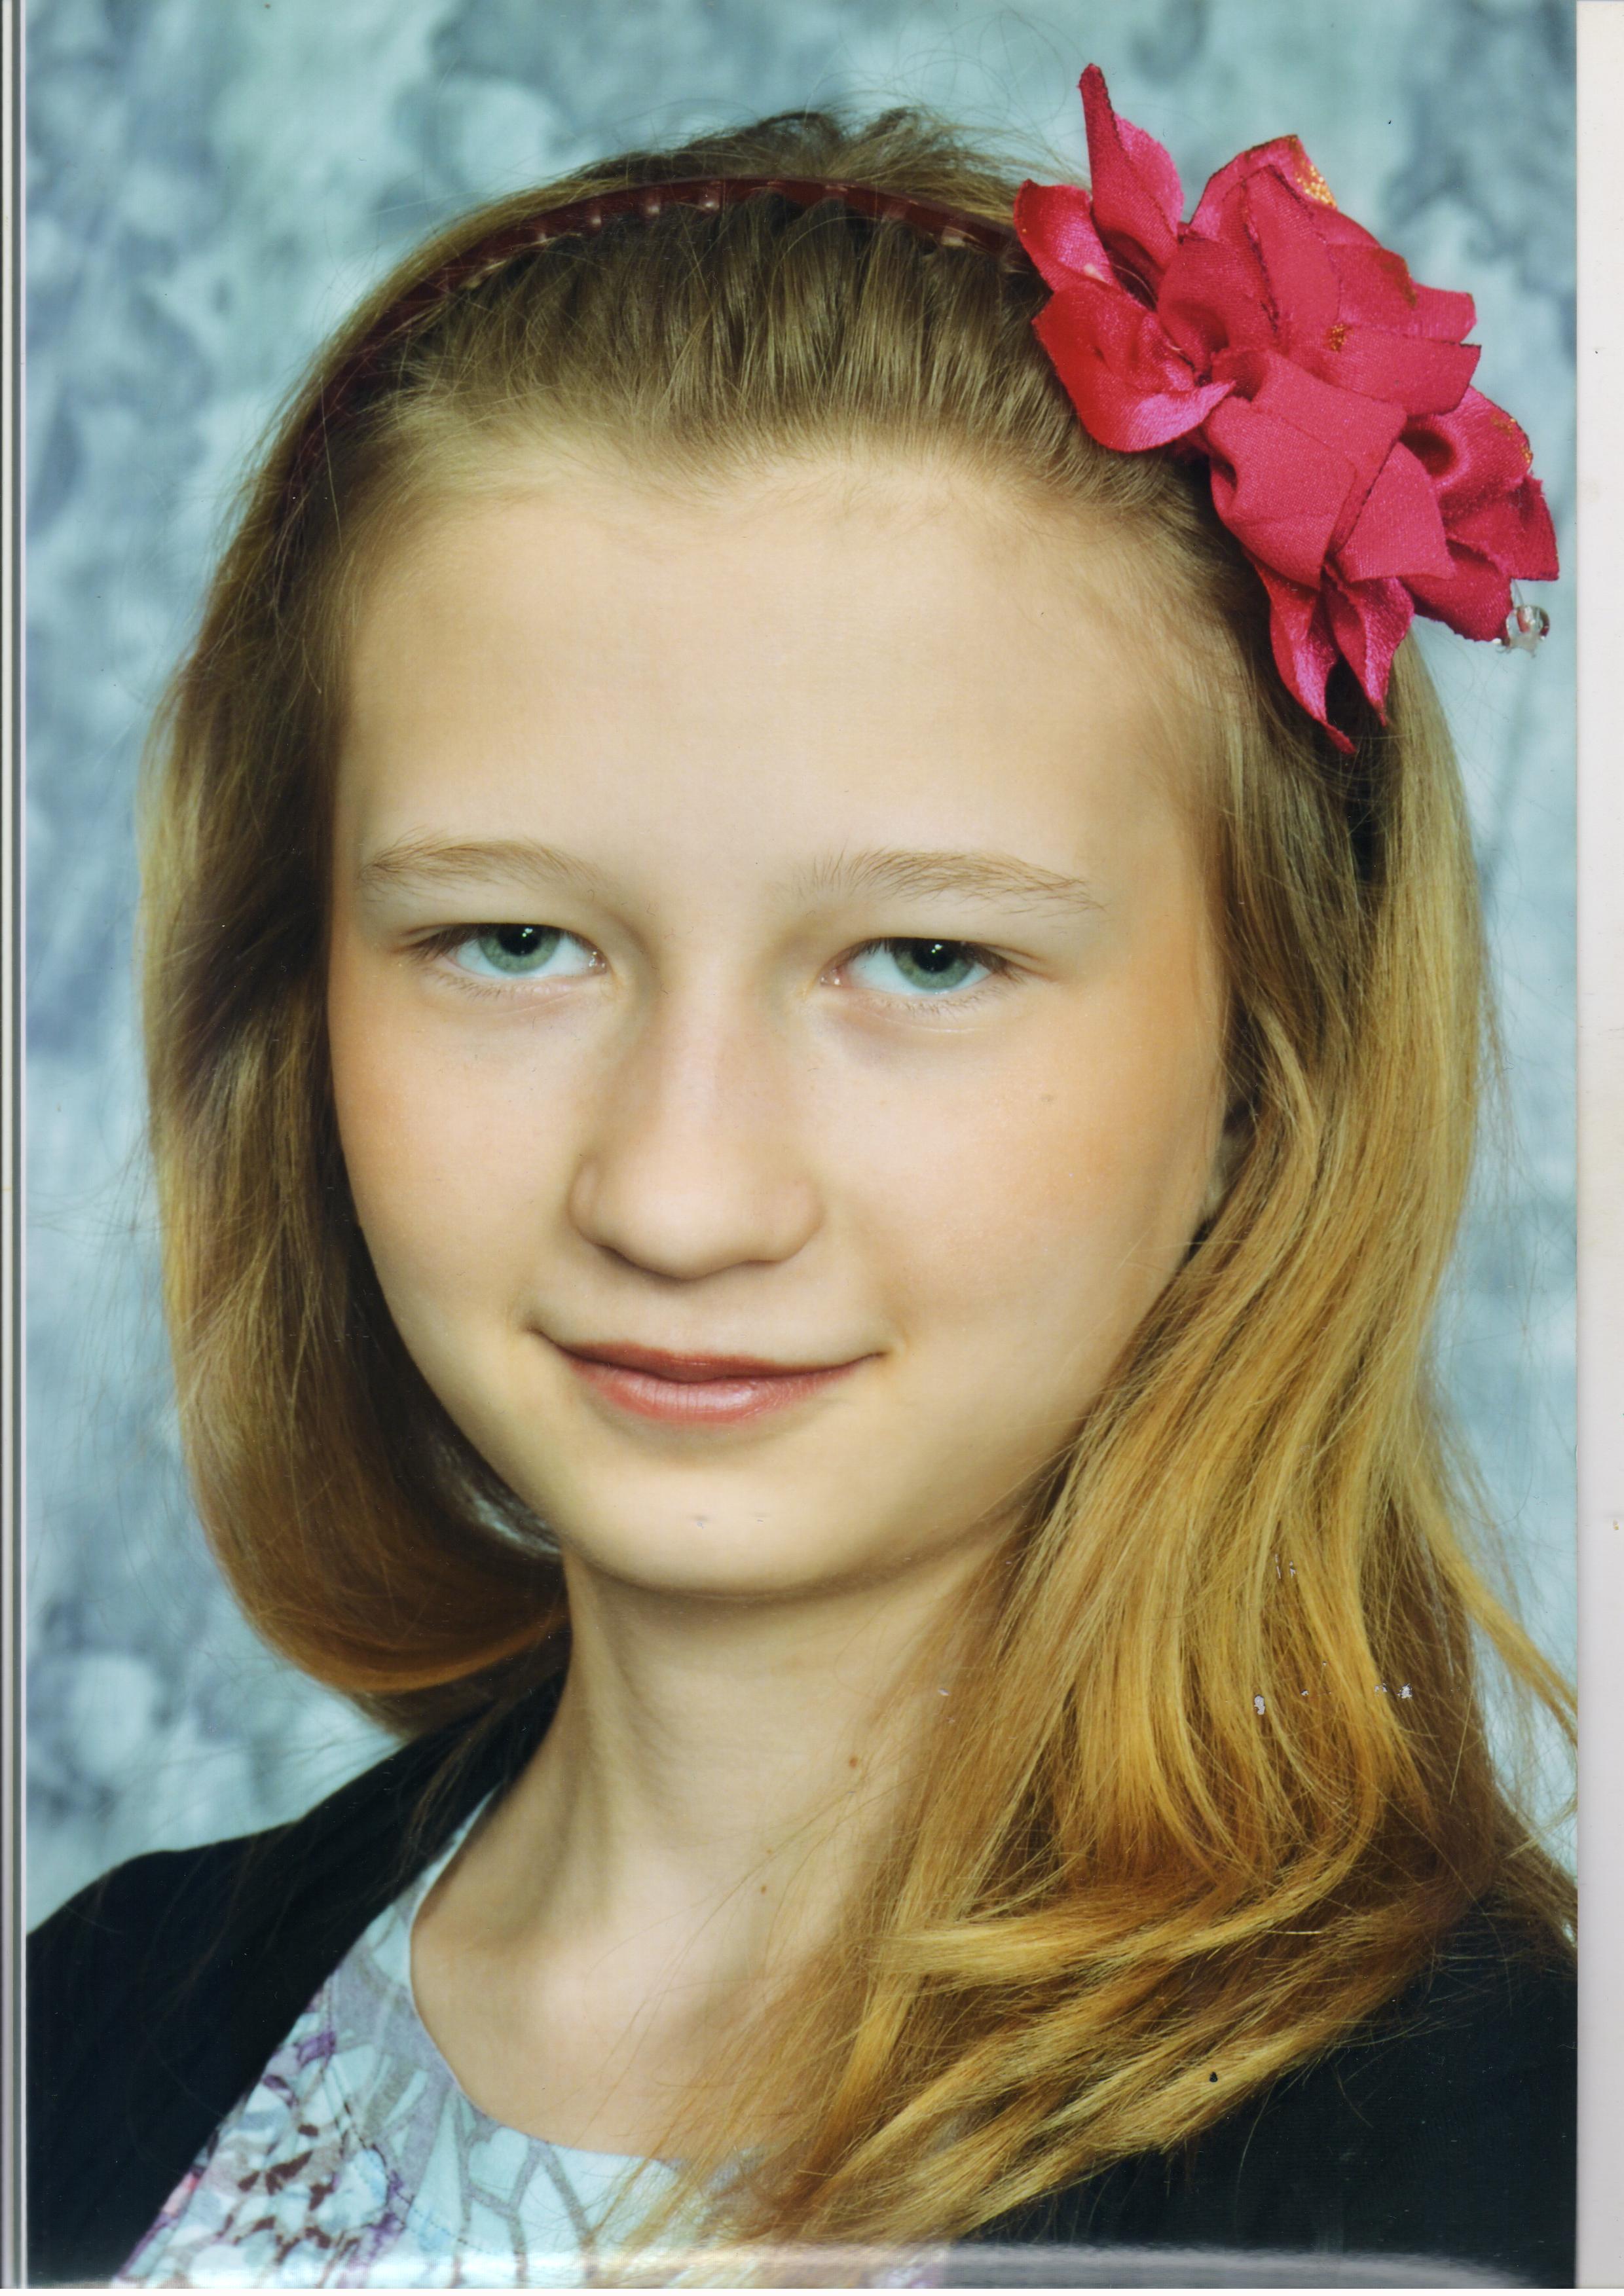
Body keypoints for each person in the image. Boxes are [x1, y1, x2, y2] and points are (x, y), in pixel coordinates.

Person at [28, 63, 1574, 2290]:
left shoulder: (1495, 2187)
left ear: (1267, 1065)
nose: (677, 1196)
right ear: (298, 996)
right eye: (512, 941)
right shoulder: (86, 2032)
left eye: (926, 959)